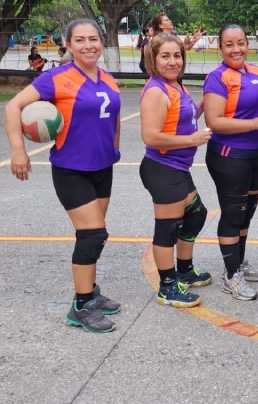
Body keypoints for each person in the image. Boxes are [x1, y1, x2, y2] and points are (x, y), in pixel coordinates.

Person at [5, 18, 122, 333]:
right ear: (69, 45)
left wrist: (115, 148)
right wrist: (18, 150)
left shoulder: (109, 79)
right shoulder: (56, 78)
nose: (89, 45)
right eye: (80, 40)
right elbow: (13, 106)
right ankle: (81, 306)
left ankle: (92, 292)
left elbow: (114, 116)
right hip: (72, 169)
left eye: (94, 39)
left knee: (94, 234)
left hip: (103, 167)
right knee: (93, 234)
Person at [203, 24, 258, 301]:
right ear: (220, 48)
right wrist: (254, 123)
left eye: (241, 43)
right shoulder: (218, 78)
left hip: (257, 154)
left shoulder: (257, 71)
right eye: (229, 45)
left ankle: (239, 262)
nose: (236, 49)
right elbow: (214, 121)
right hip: (229, 155)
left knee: (247, 212)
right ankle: (230, 275)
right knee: (233, 214)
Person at [139, 33, 213, 308]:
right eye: (165, 56)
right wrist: (190, 140)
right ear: (153, 60)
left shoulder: (175, 86)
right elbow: (151, 136)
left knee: (196, 214)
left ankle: (184, 269)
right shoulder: (156, 91)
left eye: (177, 56)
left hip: (177, 167)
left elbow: (187, 115)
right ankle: (167, 286)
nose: (172, 62)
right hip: (161, 167)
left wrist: (209, 99)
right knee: (168, 229)